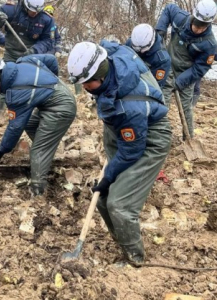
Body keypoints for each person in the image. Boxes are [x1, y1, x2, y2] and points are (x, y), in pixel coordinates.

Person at [67, 41, 172, 264]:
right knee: (103, 200)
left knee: (119, 205)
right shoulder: (113, 55)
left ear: (101, 75)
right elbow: (110, 44)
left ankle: (135, 258)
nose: (85, 88)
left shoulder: (128, 106)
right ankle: (122, 238)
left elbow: (131, 151)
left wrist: (108, 176)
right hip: (125, 130)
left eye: (88, 83)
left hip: (149, 141)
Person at [0, 54, 76, 196]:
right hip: (56, 97)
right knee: (29, 123)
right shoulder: (24, 61)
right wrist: (53, 82)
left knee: (38, 149)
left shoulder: (16, 92)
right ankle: (47, 149)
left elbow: (15, 127)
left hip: (61, 107)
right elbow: (51, 60)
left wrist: (2, 149)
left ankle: (38, 189)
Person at [155, 0, 217, 138]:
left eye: (203, 27)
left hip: (187, 74)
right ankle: (159, 136)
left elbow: (199, 69)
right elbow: (169, 8)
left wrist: (180, 82)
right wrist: (160, 31)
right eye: (197, 24)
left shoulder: (209, 44)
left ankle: (188, 137)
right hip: (167, 67)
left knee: (186, 108)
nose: (198, 29)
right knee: (162, 104)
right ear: (193, 16)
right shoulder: (180, 18)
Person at [126, 23, 171, 88]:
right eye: (136, 48)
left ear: (151, 42)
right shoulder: (131, 43)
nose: (139, 51)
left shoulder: (162, 60)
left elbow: (155, 86)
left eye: (142, 48)